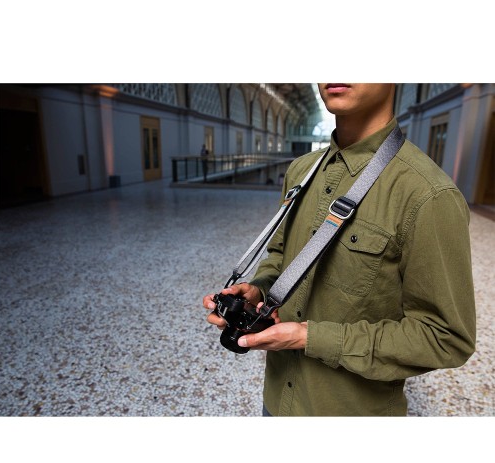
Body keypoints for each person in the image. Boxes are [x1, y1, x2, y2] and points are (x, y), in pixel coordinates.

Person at [203, 84, 476, 416]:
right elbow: (280, 256)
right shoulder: (301, 171)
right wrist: (257, 290)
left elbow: (445, 337)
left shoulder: (427, 195)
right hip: (276, 401)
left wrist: (310, 338)